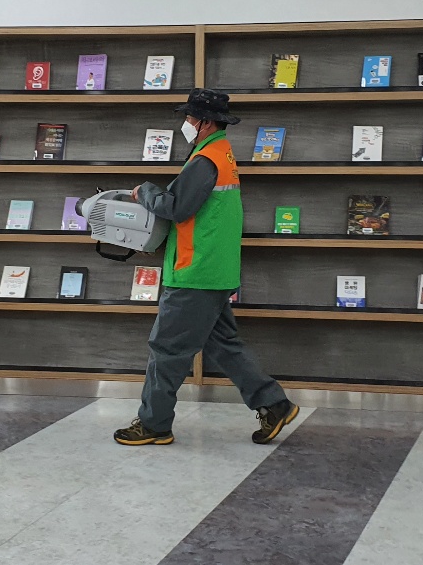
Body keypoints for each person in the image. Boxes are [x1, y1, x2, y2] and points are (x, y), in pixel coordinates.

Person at [113, 88, 298, 446]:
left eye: (190, 117)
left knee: (166, 349)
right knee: (224, 344)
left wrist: (144, 192)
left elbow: (177, 207)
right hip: (214, 270)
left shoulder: (205, 160)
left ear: (206, 122)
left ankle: (153, 424)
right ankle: (274, 404)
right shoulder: (221, 154)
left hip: (195, 274)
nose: (186, 122)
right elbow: (200, 217)